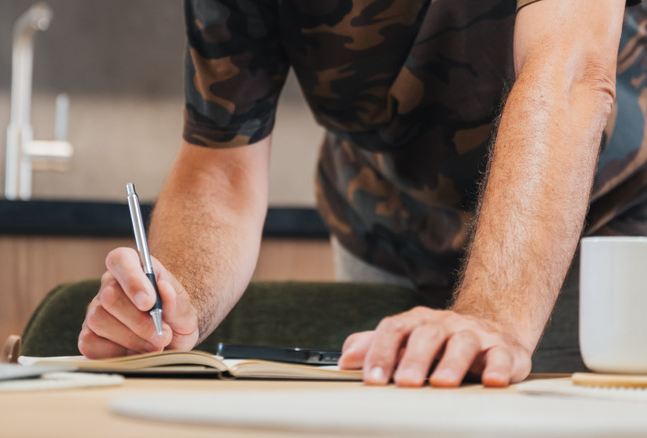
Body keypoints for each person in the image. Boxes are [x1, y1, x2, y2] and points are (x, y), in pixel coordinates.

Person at [78, 0, 647, 387]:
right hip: (386, 222)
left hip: (597, 233)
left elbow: (570, 75)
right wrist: (177, 303)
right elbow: (222, 162)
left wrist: (495, 316)